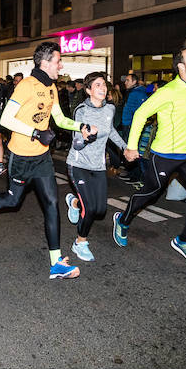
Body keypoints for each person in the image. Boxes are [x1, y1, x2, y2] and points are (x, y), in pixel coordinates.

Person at [0, 41, 96, 280]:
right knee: (13, 199)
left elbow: (58, 119)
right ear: (46, 62)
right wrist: (36, 132)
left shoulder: (51, 88)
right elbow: (6, 119)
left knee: (51, 203)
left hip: (42, 158)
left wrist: (79, 126)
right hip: (20, 156)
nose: (61, 65)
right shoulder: (27, 86)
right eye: (58, 61)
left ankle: (56, 262)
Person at [114, 47, 186, 266]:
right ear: (181, 67)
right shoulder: (168, 91)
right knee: (149, 194)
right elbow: (141, 114)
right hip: (165, 155)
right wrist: (131, 147)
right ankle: (123, 220)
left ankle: (184, 240)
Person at [64, 72, 128, 262]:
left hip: (98, 165)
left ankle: (74, 202)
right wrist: (84, 138)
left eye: (104, 85)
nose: (102, 88)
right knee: (90, 209)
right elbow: (75, 143)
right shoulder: (81, 111)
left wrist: (126, 147)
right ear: (88, 90)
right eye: (97, 85)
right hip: (78, 164)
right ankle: (80, 242)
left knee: (100, 209)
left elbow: (111, 131)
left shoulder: (110, 109)